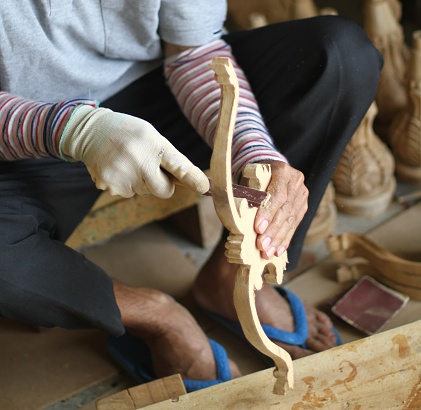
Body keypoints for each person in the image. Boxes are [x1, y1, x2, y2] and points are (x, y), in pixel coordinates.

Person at [0, 1, 382, 390]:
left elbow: (194, 52)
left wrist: (256, 154)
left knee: (340, 56)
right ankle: (157, 317)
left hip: (152, 88)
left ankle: (232, 279)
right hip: (24, 130)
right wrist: (70, 129)